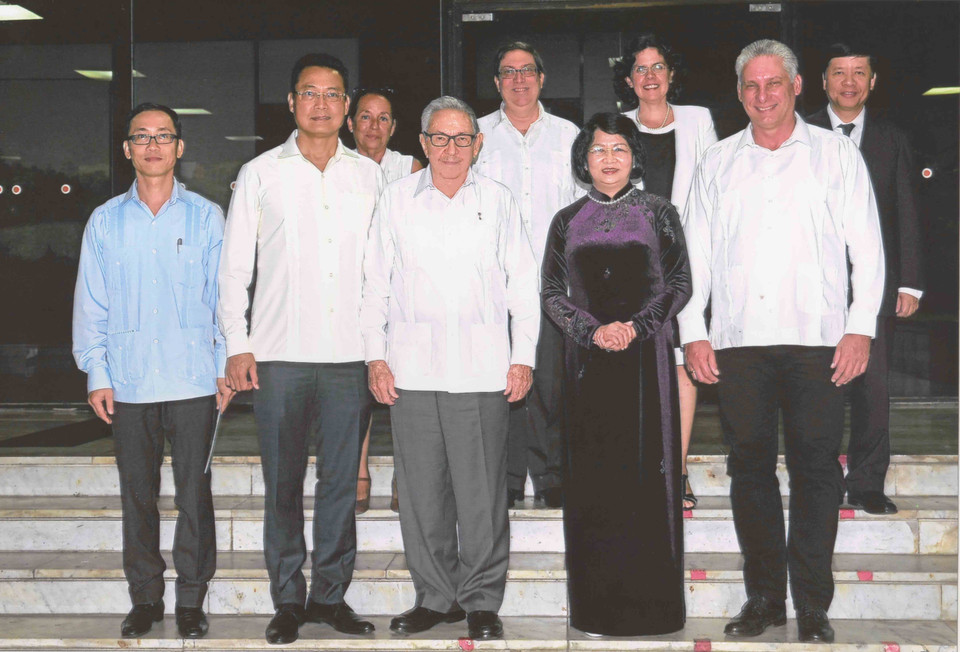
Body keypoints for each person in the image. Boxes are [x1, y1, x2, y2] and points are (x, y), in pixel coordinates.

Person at [678, 40, 885, 643]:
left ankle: (812, 604)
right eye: (751, 86)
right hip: (738, 343)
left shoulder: (835, 156)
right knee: (749, 472)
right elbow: (694, 260)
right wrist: (694, 333)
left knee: (818, 471)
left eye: (774, 84)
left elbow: (867, 250)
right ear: (739, 92)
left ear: (797, 87)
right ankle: (765, 597)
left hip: (819, 342)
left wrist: (859, 327)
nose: (762, 96)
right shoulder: (716, 163)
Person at [218, 53, 384, 644]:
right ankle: (288, 599)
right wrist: (237, 345)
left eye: (332, 94)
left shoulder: (369, 176)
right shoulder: (261, 172)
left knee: (341, 485)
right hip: (279, 355)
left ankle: (330, 598)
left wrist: (377, 350)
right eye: (308, 93)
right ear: (291, 103)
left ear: (346, 106)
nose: (320, 104)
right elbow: (234, 269)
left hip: (347, 358)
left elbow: (377, 273)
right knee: (283, 484)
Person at [360, 96, 540, 641]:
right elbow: (373, 287)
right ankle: (435, 597)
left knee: (482, 495)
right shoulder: (395, 200)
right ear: (423, 142)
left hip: (483, 371)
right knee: (421, 495)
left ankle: (481, 600)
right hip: (410, 372)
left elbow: (523, 288)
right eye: (440, 137)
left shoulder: (500, 201)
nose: (451, 149)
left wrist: (523, 357)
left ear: (478, 144)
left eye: (463, 138)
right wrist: (375, 355)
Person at [72, 102, 233, 640]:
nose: (153, 145)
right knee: (136, 494)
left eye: (164, 136)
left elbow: (224, 301)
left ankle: (192, 599)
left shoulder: (208, 216)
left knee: (194, 495)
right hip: (131, 380)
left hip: (192, 381)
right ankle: (145, 599)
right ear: (127, 149)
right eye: (141, 136)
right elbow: (91, 303)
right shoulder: (104, 220)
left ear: (180, 148)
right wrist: (97, 373)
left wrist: (223, 370)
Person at [541, 112, 691, 636]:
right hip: (585, 367)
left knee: (647, 478)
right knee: (593, 484)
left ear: (634, 157)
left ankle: (653, 611)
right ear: (584, 159)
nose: (609, 158)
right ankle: (596, 609)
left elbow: (679, 284)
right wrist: (592, 330)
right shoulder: (566, 220)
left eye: (620, 148)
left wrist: (634, 326)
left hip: (644, 362)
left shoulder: (659, 213)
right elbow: (552, 295)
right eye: (599, 149)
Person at [806, 42, 924, 516]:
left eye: (859, 73)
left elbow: (909, 212)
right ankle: (823, 481)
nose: (849, 82)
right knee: (819, 388)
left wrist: (910, 282)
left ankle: (868, 482)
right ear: (823, 80)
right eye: (839, 73)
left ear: (872, 81)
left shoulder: (893, 138)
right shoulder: (801, 132)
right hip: (814, 286)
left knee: (873, 387)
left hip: (876, 286)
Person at [475, 41, 583, 509]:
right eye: (507, 72)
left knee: (550, 384)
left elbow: (584, 208)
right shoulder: (475, 134)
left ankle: (552, 473)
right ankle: (509, 475)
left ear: (542, 78)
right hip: (490, 283)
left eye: (526, 71)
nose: (518, 80)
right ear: (496, 82)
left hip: (552, 281)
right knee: (501, 382)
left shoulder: (569, 135)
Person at [613, 32, 718, 510]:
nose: (650, 76)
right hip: (634, 264)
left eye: (658, 67)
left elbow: (713, 186)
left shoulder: (698, 120)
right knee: (636, 365)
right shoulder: (618, 126)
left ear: (671, 75)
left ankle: (677, 469)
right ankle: (639, 467)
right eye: (641, 68)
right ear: (629, 79)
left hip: (686, 261)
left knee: (682, 365)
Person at [346, 85, 423, 514]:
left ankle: (402, 474)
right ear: (350, 122)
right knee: (357, 388)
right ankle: (358, 472)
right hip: (351, 293)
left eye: (383, 118)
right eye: (365, 117)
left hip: (401, 293)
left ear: (393, 127)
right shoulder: (336, 166)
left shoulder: (409, 166)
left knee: (402, 386)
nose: (373, 126)